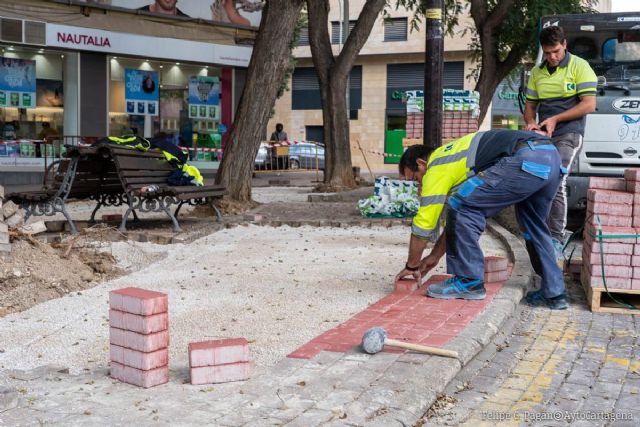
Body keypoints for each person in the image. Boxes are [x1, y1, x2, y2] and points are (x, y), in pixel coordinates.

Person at [395, 129, 568, 310]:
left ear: (421, 163)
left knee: (461, 205)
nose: (420, 185)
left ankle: (468, 282)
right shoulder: (455, 162)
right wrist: (434, 257)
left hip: (525, 157)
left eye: (416, 178)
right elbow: (456, 222)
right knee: (534, 227)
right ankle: (555, 293)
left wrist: (412, 266)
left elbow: (425, 223)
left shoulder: (436, 165)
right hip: (550, 157)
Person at [524, 25, 597, 257]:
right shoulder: (537, 72)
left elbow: (589, 104)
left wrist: (555, 119)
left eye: (555, 51)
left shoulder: (580, 66)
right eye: (547, 53)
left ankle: (556, 237)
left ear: (565, 45)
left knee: (556, 180)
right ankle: (540, 234)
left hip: (570, 133)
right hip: (544, 135)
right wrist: (530, 123)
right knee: (536, 180)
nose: (552, 57)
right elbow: (530, 106)